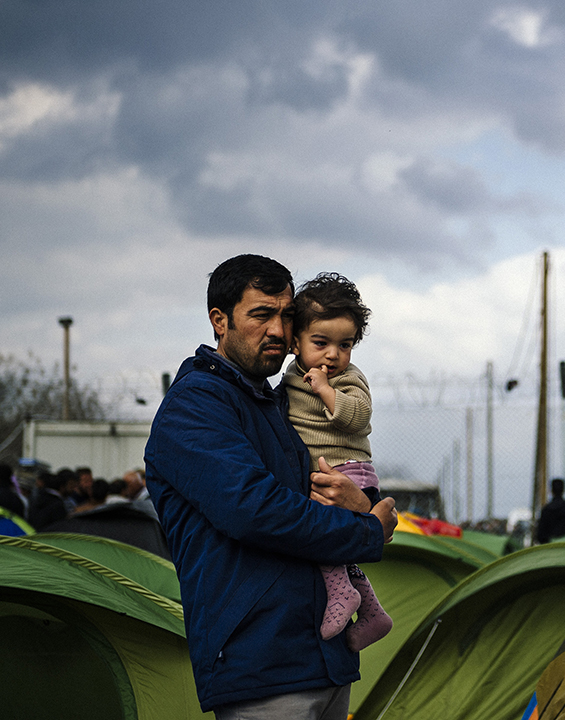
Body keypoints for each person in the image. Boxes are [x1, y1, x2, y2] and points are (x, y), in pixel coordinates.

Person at [145, 254, 397, 719]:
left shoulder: (277, 402)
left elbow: (331, 477)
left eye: (286, 316)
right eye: (261, 314)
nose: (278, 330)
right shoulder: (196, 405)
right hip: (261, 664)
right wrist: (366, 530)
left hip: (324, 658)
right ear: (219, 320)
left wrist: (365, 504)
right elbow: (255, 509)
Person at [282, 272, 392, 653]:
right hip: (327, 472)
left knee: (319, 537)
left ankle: (342, 594)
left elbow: (359, 416)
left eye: (344, 345)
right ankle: (373, 613)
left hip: (348, 472)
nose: (333, 355)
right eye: (321, 343)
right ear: (295, 342)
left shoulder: (348, 379)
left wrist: (328, 391)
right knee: (340, 551)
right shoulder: (291, 377)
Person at [536, 478, 565, 544]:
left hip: (550, 546)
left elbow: (540, 535)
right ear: (564, 490)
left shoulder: (546, 510)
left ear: (551, 490)